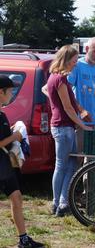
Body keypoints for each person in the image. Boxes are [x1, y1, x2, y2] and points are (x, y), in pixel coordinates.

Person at [43, 45, 92, 217]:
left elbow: (68, 104)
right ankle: (57, 203)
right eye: (73, 61)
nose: (75, 64)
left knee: (70, 165)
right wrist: (83, 125)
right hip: (63, 127)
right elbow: (68, 108)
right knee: (62, 165)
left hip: (63, 127)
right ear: (65, 60)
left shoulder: (54, 77)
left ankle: (63, 202)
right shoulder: (60, 80)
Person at [0, 75, 44, 248]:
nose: (12, 94)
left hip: (4, 166)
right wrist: (15, 136)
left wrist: (12, 132)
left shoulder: (2, 114)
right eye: (10, 91)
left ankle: (23, 240)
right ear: (1, 92)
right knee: (16, 198)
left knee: (16, 198)